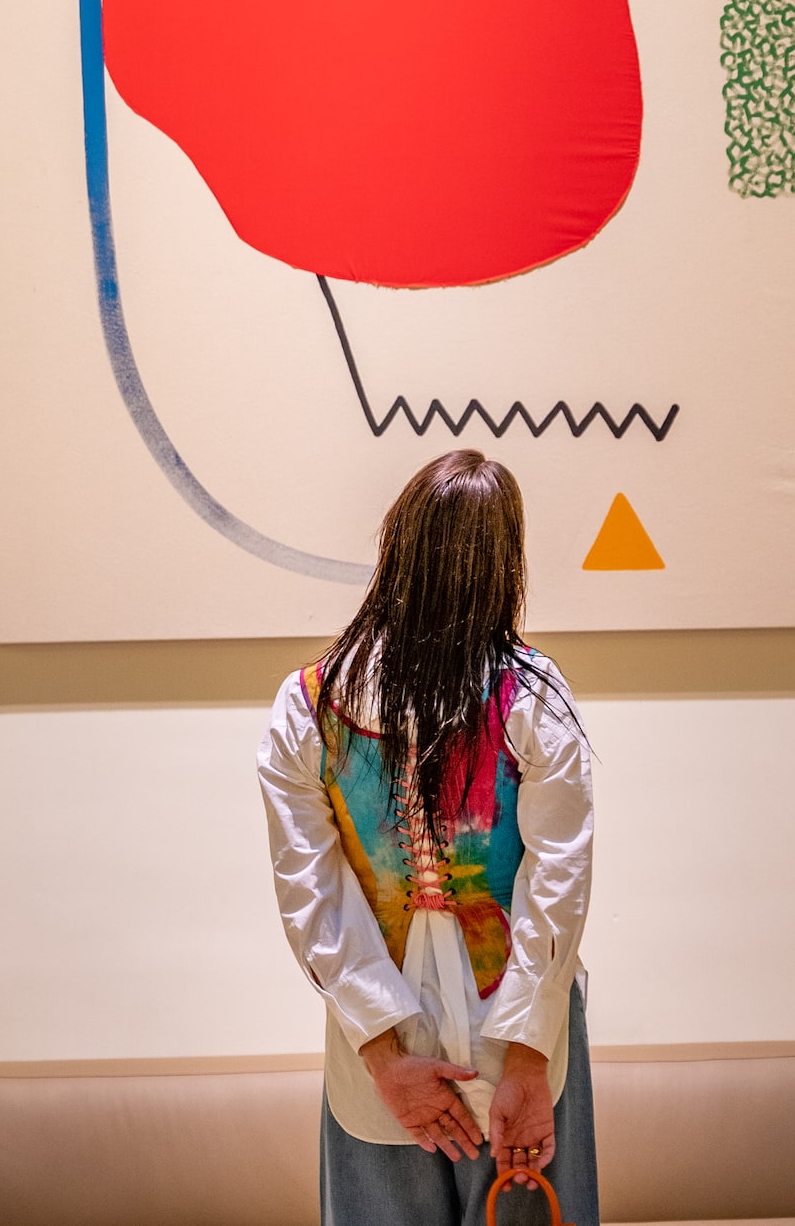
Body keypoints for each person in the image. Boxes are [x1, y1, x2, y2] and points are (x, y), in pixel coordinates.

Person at [258, 449, 598, 1226]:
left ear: (396, 548)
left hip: (385, 1034)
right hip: (518, 1029)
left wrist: (383, 1056)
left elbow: (311, 898)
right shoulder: (533, 696)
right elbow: (557, 887)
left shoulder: (305, 706)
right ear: (504, 566)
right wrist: (528, 1059)